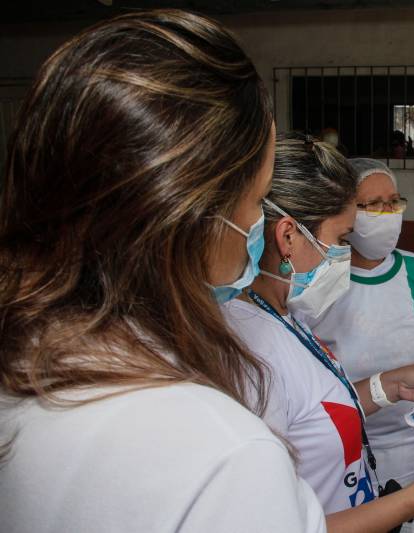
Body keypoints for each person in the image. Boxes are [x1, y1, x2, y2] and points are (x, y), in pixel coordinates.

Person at [0, 10, 324, 533]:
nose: (256, 226)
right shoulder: (225, 459)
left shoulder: (24, 356)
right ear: (191, 218)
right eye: (257, 201)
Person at [221, 137, 414, 533]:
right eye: (340, 239)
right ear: (287, 237)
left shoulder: (284, 316)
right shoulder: (249, 351)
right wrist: (409, 502)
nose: (342, 255)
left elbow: (317, 416)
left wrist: (389, 386)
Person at [304, 158, 414, 533]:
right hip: (353, 453)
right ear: (346, 211)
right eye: (372, 204)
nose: (387, 214)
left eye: (394, 202)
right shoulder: (322, 279)